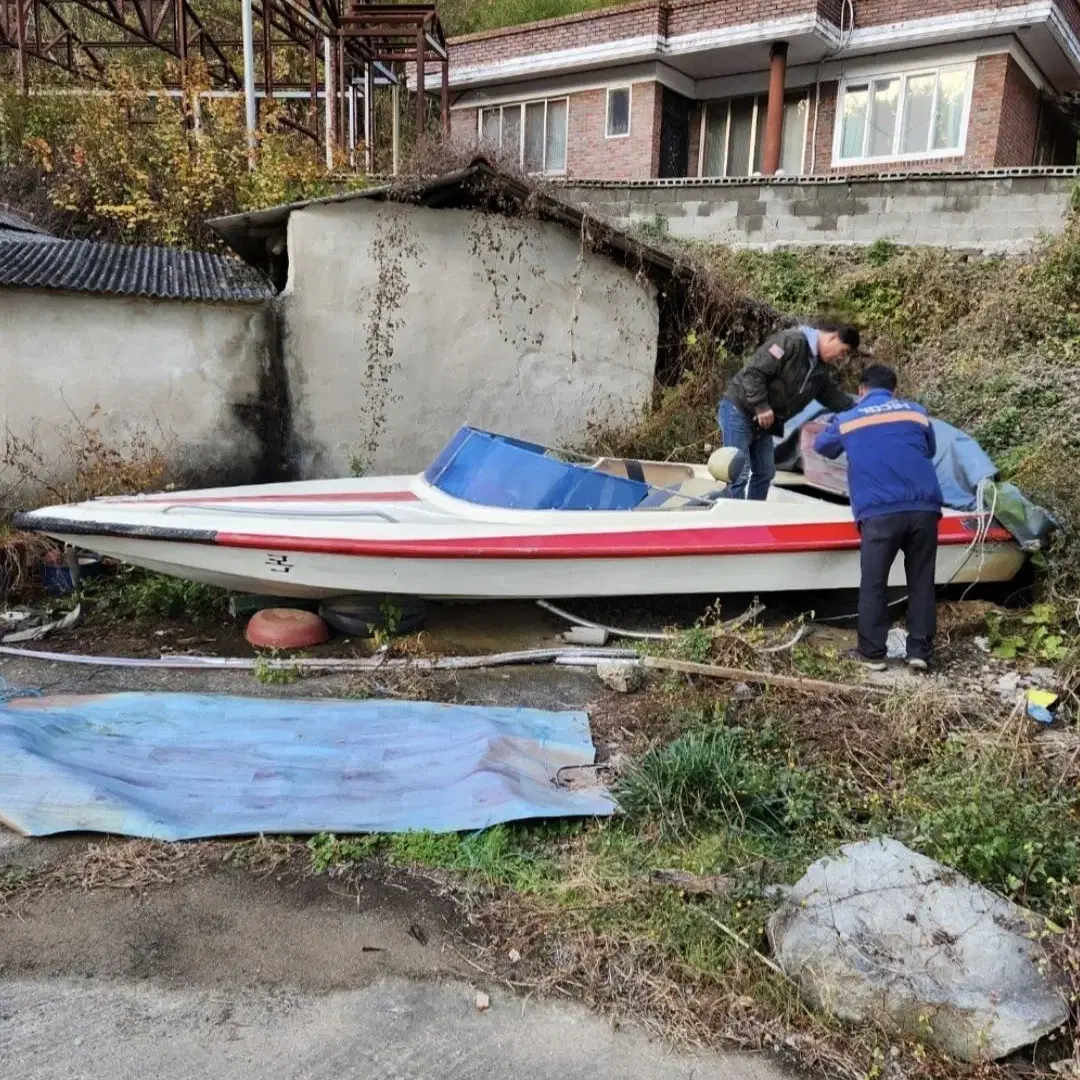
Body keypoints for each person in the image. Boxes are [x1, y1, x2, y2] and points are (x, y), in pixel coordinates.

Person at [813, 364, 944, 672]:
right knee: (922, 581)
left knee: (874, 583)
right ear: (894, 390)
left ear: (861, 390)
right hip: (925, 508)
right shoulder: (916, 413)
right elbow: (930, 448)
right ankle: (920, 653)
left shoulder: (848, 419)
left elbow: (821, 446)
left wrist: (835, 424)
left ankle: (873, 654)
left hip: (880, 511)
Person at [719, 321, 859, 501]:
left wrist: (864, 410)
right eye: (843, 351)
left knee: (765, 473)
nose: (841, 357)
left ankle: (753, 517)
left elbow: (833, 397)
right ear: (832, 337)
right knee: (738, 472)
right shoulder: (791, 341)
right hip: (740, 410)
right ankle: (732, 524)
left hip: (764, 424)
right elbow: (754, 372)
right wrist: (761, 405)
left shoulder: (820, 370)